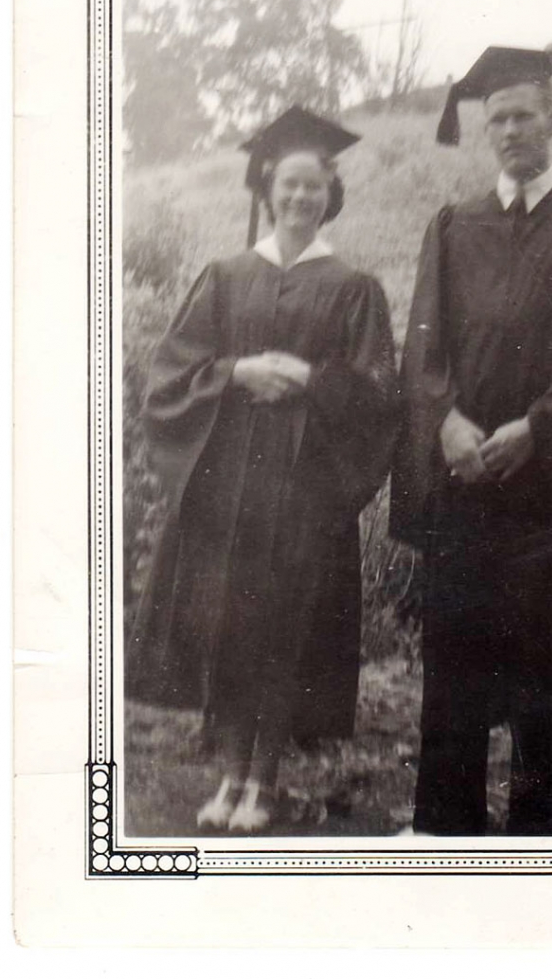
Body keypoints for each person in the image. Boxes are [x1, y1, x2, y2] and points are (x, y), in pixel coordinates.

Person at [390, 46, 552, 837]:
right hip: (467, 483)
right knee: (454, 672)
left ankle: (538, 845)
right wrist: (444, 419)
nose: (508, 131)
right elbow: (423, 341)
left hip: (548, 494)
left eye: (523, 115)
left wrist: (537, 428)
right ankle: (442, 832)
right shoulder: (452, 225)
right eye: (496, 118)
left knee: (546, 680)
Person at [127, 107, 399, 833]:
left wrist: (310, 378)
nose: (302, 198)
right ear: (267, 188)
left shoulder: (353, 287)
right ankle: (227, 779)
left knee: (281, 633)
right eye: (289, 185)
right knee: (229, 626)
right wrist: (241, 367)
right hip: (228, 489)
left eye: (315, 187)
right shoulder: (224, 277)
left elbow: (378, 395)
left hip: (302, 491)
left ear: (329, 195)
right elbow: (169, 378)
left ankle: (263, 784)